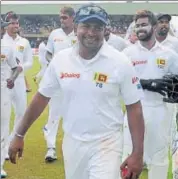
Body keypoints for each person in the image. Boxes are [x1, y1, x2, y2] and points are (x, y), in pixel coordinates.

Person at [8, 4, 145, 179]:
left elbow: (134, 107)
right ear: (75, 28)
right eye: (86, 26)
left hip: (107, 142)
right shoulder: (61, 60)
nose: (91, 32)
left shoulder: (120, 62)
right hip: (73, 142)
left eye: (98, 28)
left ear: (105, 30)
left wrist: (137, 153)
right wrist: (19, 134)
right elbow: (41, 98)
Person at [122, 9, 178, 179]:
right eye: (137, 26)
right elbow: (120, 85)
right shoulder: (126, 55)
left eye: (144, 24)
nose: (140, 28)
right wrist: (147, 83)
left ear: (153, 27)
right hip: (134, 111)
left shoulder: (170, 55)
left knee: (159, 160)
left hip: (161, 112)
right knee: (129, 157)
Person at [43, 6, 77, 162]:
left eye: (64, 17)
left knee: (76, 113)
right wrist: (54, 64)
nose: (61, 20)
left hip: (76, 81)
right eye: (60, 17)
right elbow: (49, 52)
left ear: (72, 18)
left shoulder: (79, 33)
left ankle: (74, 147)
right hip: (57, 81)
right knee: (54, 114)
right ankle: (51, 148)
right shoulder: (54, 34)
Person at [3, 11, 33, 159]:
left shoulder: (24, 42)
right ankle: (4, 147)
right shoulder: (2, 41)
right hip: (4, 83)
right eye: (12, 23)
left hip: (19, 81)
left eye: (17, 23)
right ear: (6, 25)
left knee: (21, 113)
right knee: (5, 116)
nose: (15, 26)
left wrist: (22, 67)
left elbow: (29, 61)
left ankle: (10, 142)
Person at [155, 13, 178, 179]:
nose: (164, 25)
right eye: (160, 22)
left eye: (166, 22)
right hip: (148, 99)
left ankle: (175, 169)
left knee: (170, 134)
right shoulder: (146, 43)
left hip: (170, 98)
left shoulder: (175, 44)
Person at [1, 18, 21, 178]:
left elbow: (16, 68)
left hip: (2, 92)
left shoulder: (6, 48)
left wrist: (12, 79)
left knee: (2, 129)